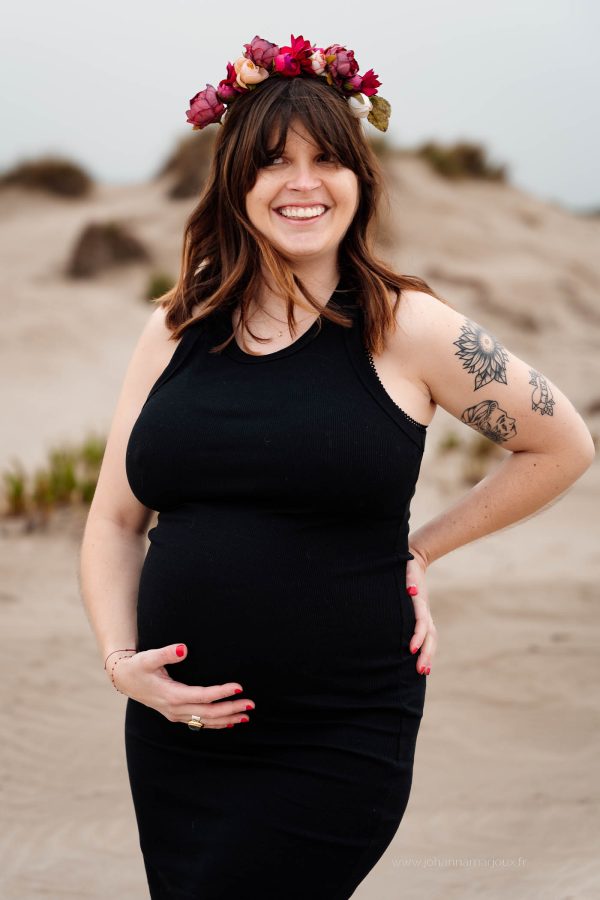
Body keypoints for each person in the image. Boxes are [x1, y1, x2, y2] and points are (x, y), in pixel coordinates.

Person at [79, 33, 595, 900]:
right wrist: (121, 660)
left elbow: (561, 444)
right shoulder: (174, 325)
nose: (304, 183)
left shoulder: (409, 326)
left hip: (337, 731)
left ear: (362, 177)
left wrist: (421, 551)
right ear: (236, 181)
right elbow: (114, 521)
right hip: (181, 731)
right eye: (274, 162)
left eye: (328, 159)